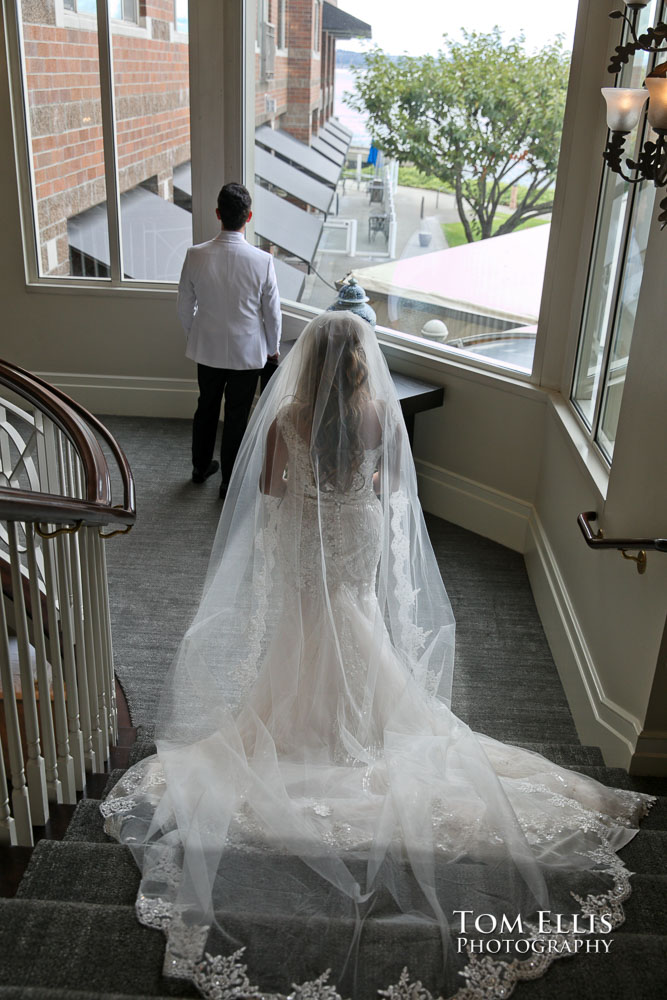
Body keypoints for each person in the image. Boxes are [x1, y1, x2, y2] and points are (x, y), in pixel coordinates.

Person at [102, 313, 654, 1000]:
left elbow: (270, 491)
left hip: (307, 534)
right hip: (354, 532)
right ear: (362, 359)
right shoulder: (375, 413)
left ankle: (303, 726)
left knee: (307, 623)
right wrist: (349, 489)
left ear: (307, 361)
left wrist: (310, 493)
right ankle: (363, 720)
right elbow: (392, 487)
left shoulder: (286, 418)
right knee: (357, 618)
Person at [178, 182, 281, 498]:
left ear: (218, 214)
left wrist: (195, 334)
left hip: (207, 349)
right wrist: (273, 350)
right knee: (237, 415)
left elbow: (184, 304)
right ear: (248, 217)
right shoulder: (262, 260)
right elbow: (272, 314)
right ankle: (228, 481)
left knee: (206, 407)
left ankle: (199, 467)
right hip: (247, 354)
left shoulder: (196, 255)